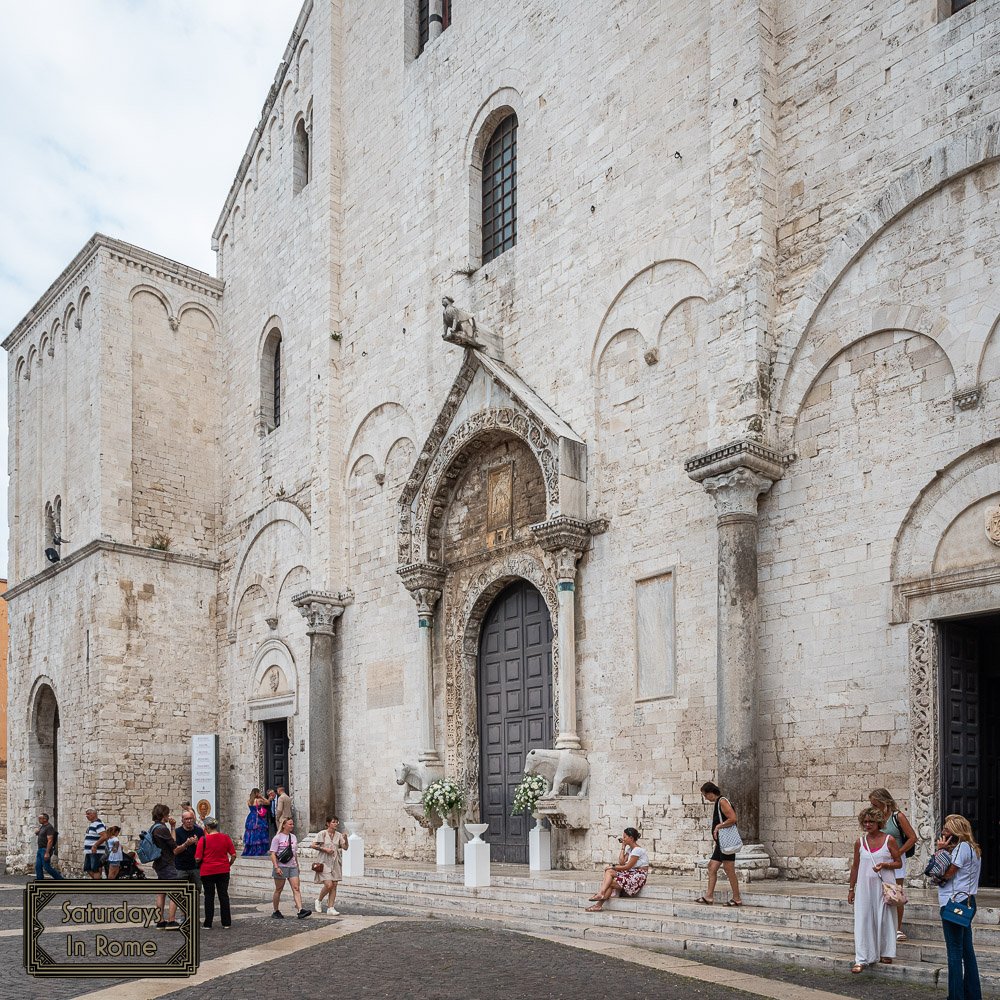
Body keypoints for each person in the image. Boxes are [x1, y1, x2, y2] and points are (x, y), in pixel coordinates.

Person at [848, 806, 901, 973]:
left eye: (871, 821)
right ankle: (861, 958)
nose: (868, 825)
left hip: (884, 886)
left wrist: (885, 865)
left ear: (879, 822)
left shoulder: (889, 840)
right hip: (865, 887)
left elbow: (898, 862)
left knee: (885, 918)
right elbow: (855, 866)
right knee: (863, 919)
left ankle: (886, 952)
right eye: (865, 822)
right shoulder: (860, 842)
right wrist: (851, 888)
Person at [936, 814, 982, 1000]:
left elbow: (946, 874)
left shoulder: (961, 848)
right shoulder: (973, 848)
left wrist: (940, 852)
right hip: (968, 901)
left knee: (954, 953)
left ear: (956, 830)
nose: (944, 832)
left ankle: (956, 997)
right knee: (967, 951)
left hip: (953, 903)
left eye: (947, 829)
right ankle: (973, 994)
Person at [869, 787, 917, 941]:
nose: (873, 808)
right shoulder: (876, 818)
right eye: (872, 805)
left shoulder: (898, 816)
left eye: (875, 805)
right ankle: (882, 926)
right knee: (879, 891)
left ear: (885, 802)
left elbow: (912, 837)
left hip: (896, 859)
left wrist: (899, 852)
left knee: (896, 892)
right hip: (880, 859)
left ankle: (897, 928)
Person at [694, 782, 743, 906]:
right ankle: (709, 896)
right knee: (712, 866)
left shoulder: (722, 801)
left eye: (705, 795)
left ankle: (737, 898)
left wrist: (718, 826)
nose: (705, 798)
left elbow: (733, 818)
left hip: (726, 844)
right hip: (720, 844)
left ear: (711, 793)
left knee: (729, 869)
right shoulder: (718, 802)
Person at [585, 827, 649, 911]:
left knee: (610, 881)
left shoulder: (637, 850)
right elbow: (622, 862)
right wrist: (623, 847)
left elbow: (627, 866)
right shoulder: (630, 850)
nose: (623, 839)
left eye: (625, 837)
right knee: (609, 871)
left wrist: (612, 866)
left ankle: (599, 902)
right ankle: (601, 895)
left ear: (631, 838)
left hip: (637, 877)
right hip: (630, 874)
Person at [195, 817, 236, 929]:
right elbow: (233, 855)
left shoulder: (203, 840)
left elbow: (198, 858)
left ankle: (208, 923)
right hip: (223, 870)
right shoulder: (225, 838)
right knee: (223, 896)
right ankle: (226, 922)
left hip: (207, 871)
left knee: (209, 897)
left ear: (207, 827)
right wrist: (229, 864)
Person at [269, 818, 311, 919]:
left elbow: (294, 853)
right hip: (281, 866)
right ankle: (276, 910)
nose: (292, 826)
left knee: (296, 888)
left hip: (292, 866)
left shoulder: (293, 837)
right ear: (284, 825)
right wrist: (276, 867)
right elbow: (273, 853)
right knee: (279, 889)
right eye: (290, 824)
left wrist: (297, 865)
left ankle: (300, 910)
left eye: (293, 824)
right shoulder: (277, 838)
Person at [150, 804, 182, 929]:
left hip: (159, 863)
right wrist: (173, 827)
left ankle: (160, 920)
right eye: (167, 814)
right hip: (167, 863)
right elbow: (174, 846)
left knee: (161, 892)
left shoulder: (153, 827)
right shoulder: (162, 829)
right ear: (164, 815)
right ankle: (171, 920)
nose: (169, 816)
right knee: (175, 891)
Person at [312, 815, 349, 914]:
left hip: (335, 862)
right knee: (329, 884)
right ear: (328, 823)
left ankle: (331, 907)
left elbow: (345, 847)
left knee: (335, 884)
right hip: (324, 862)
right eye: (333, 822)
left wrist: (346, 839)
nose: (336, 823)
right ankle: (319, 900)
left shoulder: (339, 835)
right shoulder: (322, 833)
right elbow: (313, 845)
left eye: (337, 822)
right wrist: (324, 849)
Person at [173, 808, 205, 895]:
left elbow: (204, 849)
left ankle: (194, 908)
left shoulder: (199, 831)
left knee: (196, 891)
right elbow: (175, 851)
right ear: (182, 820)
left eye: (191, 818)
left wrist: (198, 843)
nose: (189, 821)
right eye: (186, 819)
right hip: (181, 867)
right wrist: (186, 844)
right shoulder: (177, 832)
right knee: (180, 893)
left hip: (195, 867)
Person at [34, 813, 63, 880]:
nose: (39, 820)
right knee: (38, 866)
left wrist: (47, 852)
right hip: (40, 849)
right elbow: (40, 835)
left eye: (40, 818)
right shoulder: (42, 827)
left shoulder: (49, 827)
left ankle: (60, 879)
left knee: (47, 867)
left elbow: (50, 840)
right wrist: (37, 832)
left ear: (45, 819)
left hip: (45, 849)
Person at [242, 790, 270, 857]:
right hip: (258, 817)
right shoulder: (259, 800)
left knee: (251, 832)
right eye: (259, 792)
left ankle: (251, 850)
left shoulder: (249, 801)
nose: (260, 793)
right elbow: (268, 802)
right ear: (256, 793)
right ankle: (259, 850)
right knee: (259, 833)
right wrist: (262, 797)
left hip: (251, 817)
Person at [83, 807, 108, 879]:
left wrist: (95, 845)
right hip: (90, 851)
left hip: (96, 851)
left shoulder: (98, 824)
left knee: (95, 869)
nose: (86, 816)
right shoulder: (93, 824)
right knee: (88, 868)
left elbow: (104, 836)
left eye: (88, 814)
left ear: (94, 814)